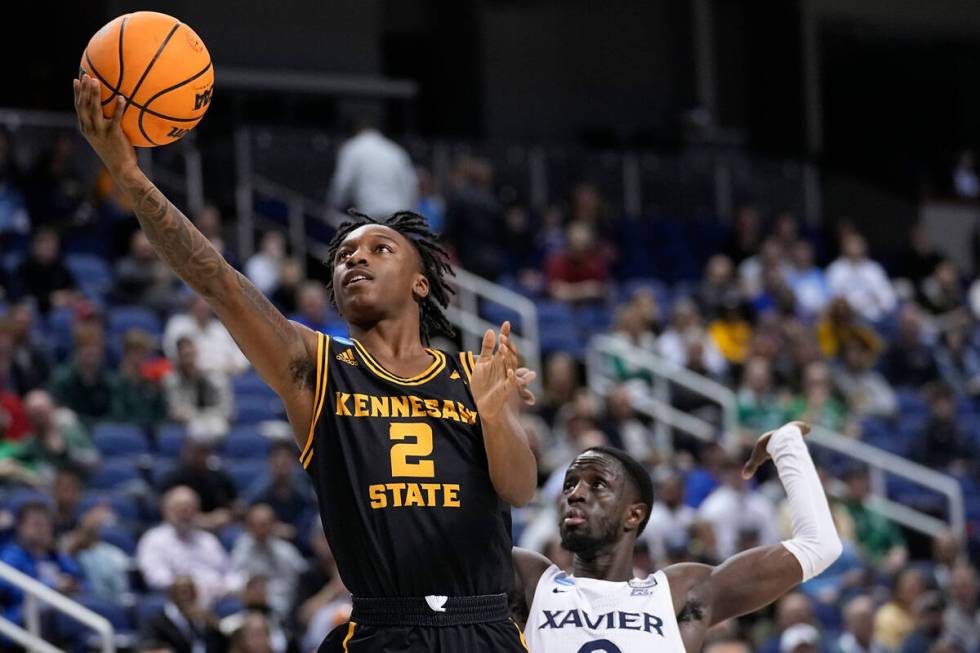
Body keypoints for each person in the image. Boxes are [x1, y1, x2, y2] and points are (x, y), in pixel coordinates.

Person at [75, 73, 537, 652]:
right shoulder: (315, 368)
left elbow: (519, 490)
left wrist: (495, 415)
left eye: (379, 249)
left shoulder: (475, 376)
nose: (354, 260)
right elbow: (215, 282)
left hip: (485, 627)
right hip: (383, 628)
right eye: (343, 257)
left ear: (422, 284)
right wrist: (130, 175)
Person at [512, 421, 842, 652]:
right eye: (570, 484)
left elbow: (819, 545)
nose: (575, 494)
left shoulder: (679, 594)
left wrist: (786, 446)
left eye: (597, 484)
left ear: (634, 514)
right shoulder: (530, 580)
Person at [136, 485, 243, 607]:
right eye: (179, 509)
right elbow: (156, 579)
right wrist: (196, 589)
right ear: (165, 510)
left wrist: (229, 587)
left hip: (218, 599)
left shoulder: (208, 540)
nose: (185, 514)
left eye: (189, 509)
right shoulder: (153, 539)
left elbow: (230, 572)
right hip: (179, 600)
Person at [0, 502, 82, 626]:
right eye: (37, 524)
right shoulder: (12, 555)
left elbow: (80, 580)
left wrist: (73, 585)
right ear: (21, 527)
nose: (43, 529)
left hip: (59, 614)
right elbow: (10, 588)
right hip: (23, 618)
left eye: (47, 524)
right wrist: (53, 586)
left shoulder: (56, 556)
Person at [328, 115, 418, 219]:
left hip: (372, 213)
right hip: (398, 215)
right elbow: (411, 184)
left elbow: (342, 183)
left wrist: (332, 208)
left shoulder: (353, 148)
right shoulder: (395, 150)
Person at [230, 504, 307, 619]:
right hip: (248, 600)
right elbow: (233, 577)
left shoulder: (285, 550)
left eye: (264, 524)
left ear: (273, 524)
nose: (260, 529)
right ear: (248, 526)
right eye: (255, 524)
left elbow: (303, 575)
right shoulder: (242, 547)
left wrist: (268, 593)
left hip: (281, 601)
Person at [162, 336, 234, 442]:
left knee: (218, 428)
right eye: (184, 356)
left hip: (213, 420)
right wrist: (197, 416)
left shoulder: (214, 378)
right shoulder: (172, 380)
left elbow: (227, 410)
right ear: (178, 357)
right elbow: (175, 411)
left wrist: (205, 415)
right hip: (187, 424)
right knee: (197, 431)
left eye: (190, 355)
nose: (188, 361)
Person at [139, 575, 228, 653]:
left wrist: (214, 625)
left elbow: (222, 647)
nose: (188, 596)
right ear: (171, 595)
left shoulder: (205, 619)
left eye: (192, 591)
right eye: (184, 591)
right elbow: (150, 648)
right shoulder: (157, 622)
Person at [826, 233, 896, 323]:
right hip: (846, 319)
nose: (854, 248)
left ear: (864, 247)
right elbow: (832, 298)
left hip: (875, 319)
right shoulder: (836, 269)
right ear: (843, 247)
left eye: (858, 244)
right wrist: (851, 307)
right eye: (851, 244)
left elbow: (888, 298)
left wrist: (868, 306)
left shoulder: (874, 269)